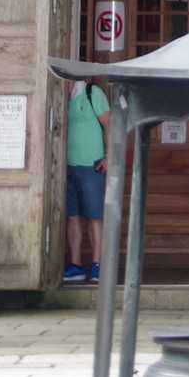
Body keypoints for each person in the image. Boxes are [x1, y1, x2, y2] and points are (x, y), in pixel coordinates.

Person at [62, 79, 109, 284]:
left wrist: (109, 156)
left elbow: (109, 125)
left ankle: (98, 265)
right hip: (68, 167)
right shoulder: (61, 96)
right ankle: (76, 266)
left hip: (92, 165)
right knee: (72, 217)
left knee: (94, 217)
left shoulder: (93, 92)